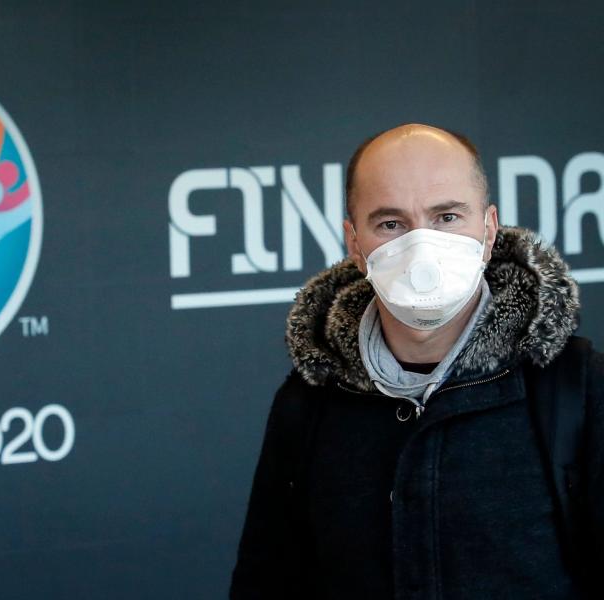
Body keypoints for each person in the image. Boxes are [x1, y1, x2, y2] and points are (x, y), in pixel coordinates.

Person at [229, 124, 604, 599]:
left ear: (487, 231)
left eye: (447, 217)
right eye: (391, 224)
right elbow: (267, 582)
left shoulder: (574, 388)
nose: (422, 247)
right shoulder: (309, 404)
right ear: (355, 244)